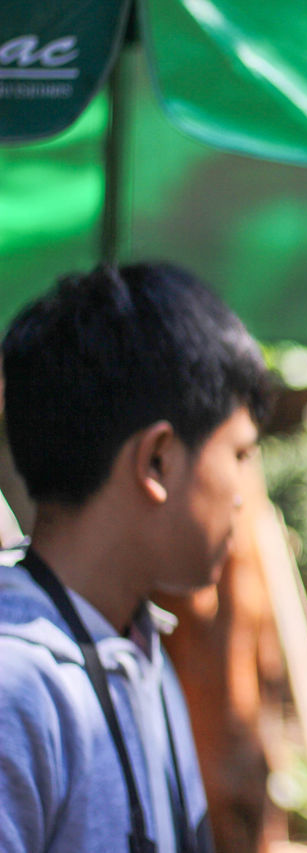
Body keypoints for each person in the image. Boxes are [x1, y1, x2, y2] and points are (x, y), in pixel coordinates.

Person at [0, 262, 273, 852]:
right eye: (240, 456)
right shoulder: (16, 690)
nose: (241, 498)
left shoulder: (141, 648)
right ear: (157, 462)